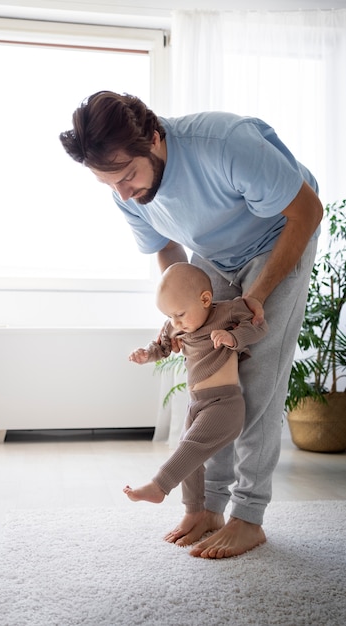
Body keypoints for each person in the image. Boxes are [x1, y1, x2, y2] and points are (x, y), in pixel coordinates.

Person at [59, 91, 323, 558]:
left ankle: (249, 516)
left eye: (127, 177)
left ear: (154, 138)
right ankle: (207, 506)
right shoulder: (128, 192)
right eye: (109, 185)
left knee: (256, 382)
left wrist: (256, 296)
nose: (123, 194)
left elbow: (306, 211)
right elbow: (168, 252)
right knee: (213, 384)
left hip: (280, 234)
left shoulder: (223, 143)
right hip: (216, 257)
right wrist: (180, 316)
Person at [124, 262, 268, 521]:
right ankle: (194, 513)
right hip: (196, 403)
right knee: (189, 460)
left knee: (189, 448)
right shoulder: (175, 326)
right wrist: (147, 354)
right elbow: (162, 347)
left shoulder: (228, 312)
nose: (174, 322)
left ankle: (159, 486)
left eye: (179, 314)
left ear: (205, 299)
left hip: (225, 404)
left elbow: (259, 327)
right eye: (169, 316)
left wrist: (232, 338)